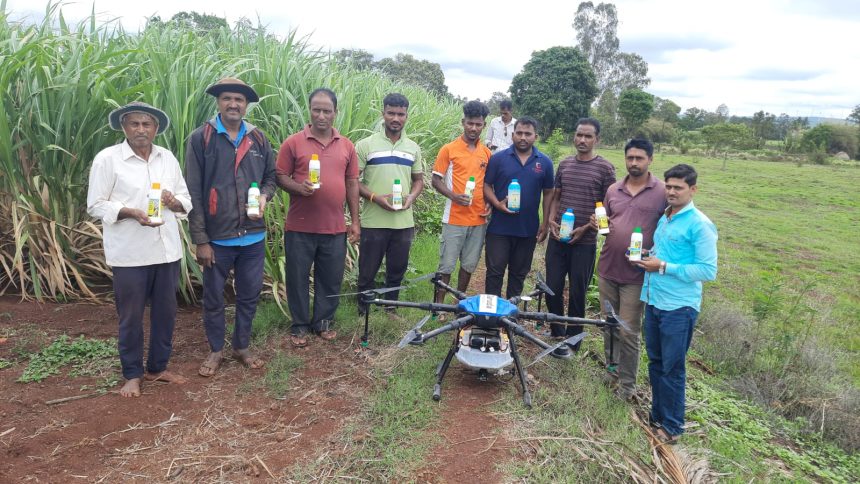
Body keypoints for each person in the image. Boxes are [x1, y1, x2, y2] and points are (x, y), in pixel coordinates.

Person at [87, 101, 192, 397]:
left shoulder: (166, 157)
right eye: (134, 124)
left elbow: (186, 199)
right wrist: (130, 212)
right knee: (131, 316)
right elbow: (95, 205)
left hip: (166, 251)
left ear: (156, 129)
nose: (141, 129)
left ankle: (158, 367)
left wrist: (174, 201)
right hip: (130, 254)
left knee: (166, 312)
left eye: (147, 124)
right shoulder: (108, 160)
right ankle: (132, 374)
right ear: (124, 127)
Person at [186, 77, 277, 377]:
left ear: (246, 105)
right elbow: (194, 192)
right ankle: (215, 350)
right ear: (218, 102)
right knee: (213, 297)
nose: (233, 104)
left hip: (252, 236)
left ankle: (241, 346)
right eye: (227, 98)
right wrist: (201, 239)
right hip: (217, 238)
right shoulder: (201, 138)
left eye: (239, 100)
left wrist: (264, 196)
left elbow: (271, 177)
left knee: (249, 295)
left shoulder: (259, 139)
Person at [632, 163, 718, 444]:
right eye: (668, 186)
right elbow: (663, 253)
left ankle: (672, 427)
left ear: (693, 190)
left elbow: (707, 270)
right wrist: (649, 256)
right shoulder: (666, 217)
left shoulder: (699, 224)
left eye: (678, 188)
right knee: (656, 362)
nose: (671, 192)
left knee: (672, 367)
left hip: (679, 308)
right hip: (655, 300)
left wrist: (663, 266)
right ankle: (657, 416)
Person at [276, 88, 360, 347]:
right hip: (300, 227)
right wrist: (297, 187)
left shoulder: (346, 145)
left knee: (330, 276)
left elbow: (352, 183)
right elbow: (279, 175)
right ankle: (300, 325)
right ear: (309, 110)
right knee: (297, 276)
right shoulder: (293, 142)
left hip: (334, 227)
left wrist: (354, 222)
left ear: (335, 113)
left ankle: (323, 321)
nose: (321, 115)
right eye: (316, 109)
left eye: (327, 110)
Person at [590, 138, 667, 401]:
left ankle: (627, 386)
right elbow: (605, 224)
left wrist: (658, 255)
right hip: (608, 267)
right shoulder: (613, 190)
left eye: (639, 158)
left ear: (650, 160)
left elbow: (670, 230)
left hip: (636, 275)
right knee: (609, 325)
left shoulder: (662, 193)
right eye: (630, 158)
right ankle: (611, 371)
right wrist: (596, 223)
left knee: (628, 331)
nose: (634, 163)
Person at [546, 118, 616, 344]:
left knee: (578, 290)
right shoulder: (565, 164)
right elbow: (556, 196)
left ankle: (574, 338)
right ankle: (556, 331)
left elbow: (607, 206)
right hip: (558, 238)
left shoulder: (605, 169)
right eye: (579, 135)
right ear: (574, 136)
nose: (582, 140)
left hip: (584, 242)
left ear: (597, 139)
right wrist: (550, 221)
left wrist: (586, 228)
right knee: (552, 286)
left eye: (588, 136)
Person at [355, 93, 424, 315]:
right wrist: (375, 198)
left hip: (403, 222)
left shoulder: (413, 147)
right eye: (391, 113)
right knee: (367, 270)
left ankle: (390, 308)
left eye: (400, 114)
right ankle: (363, 310)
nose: (396, 118)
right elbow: (353, 181)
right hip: (373, 220)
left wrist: (411, 198)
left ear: (407, 116)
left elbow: (418, 181)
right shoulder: (366, 145)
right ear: (382, 113)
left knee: (397, 269)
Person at [482, 116, 554, 298]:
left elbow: (548, 194)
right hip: (499, 228)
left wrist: (545, 223)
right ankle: (492, 317)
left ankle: (511, 317)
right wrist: (497, 204)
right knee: (494, 273)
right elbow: (486, 185)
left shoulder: (544, 163)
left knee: (518, 275)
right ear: (513, 135)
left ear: (535, 137)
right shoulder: (498, 159)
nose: (523, 137)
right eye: (519, 133)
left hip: (527, 230)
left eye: (528, 134)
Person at [431, 100, 492, 305]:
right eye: (470, 123)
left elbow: (487, 185)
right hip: (454, 218)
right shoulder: (449, 149)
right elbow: (435, 180)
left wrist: (490, 204)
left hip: (478, 219)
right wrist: (453, 196)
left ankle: (460, 302)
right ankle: (439, 306)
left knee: (469, 264)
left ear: (484, 125)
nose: (474, 128)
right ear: (463, 122)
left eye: (478, 124)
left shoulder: (486, 153)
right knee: (446, 265)